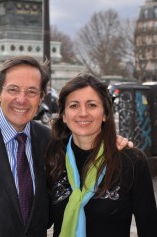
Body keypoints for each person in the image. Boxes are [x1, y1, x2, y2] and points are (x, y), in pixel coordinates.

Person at [0, 56, 132, 237]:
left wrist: (112, 142)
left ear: (41, 98)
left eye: (31, 91)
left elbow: (85, 140)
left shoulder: (50, 141)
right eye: (13, 89)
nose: (22, 99)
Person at [45, 74, 157, 237]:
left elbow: (149, 227)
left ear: (105, 114)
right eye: (74, 105)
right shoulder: (52, 159)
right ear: (63, 115)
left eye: (92, 105)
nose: (83, 113)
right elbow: (41, 219)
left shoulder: (131, 161)